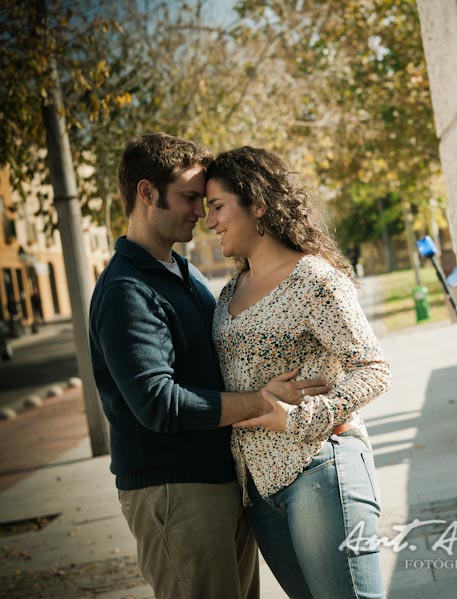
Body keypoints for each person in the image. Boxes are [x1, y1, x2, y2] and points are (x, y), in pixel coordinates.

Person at [89, 133, 328, 599]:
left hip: (219, 485)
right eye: (189, 197)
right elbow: (159, 404)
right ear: (145, 193)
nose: (200, 211)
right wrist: (262, 401)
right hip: (175, 494)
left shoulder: (184, 272)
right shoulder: (126, 289)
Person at [205, 146, 391, 599]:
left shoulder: (313, 278)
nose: (208, 222)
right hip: (260, 494)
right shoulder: (229, 291)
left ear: (258, 204)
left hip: (321, 472)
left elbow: (373, 368)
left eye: (217, 207)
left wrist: (301, 418)